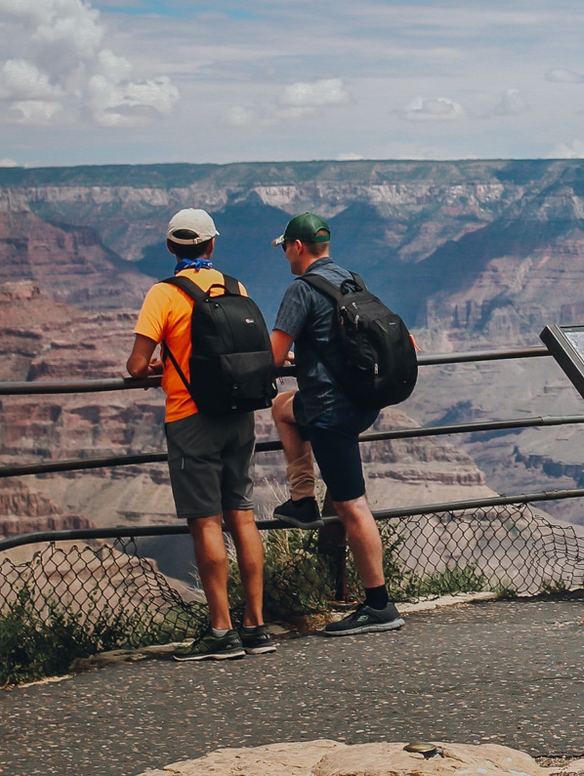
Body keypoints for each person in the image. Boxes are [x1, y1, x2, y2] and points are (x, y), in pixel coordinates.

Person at [126, 208, 272, 661]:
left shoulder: (163, 295)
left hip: (191, 417)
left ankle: (220, 630)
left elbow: (135, 365)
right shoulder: (236, 287)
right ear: (212, 246)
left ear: (171, 247)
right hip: (239, 413)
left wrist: (160, 367)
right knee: (242, 516)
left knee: (206, 521)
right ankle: (256, 626)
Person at [270, 212, 404, 636]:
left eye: (286, 249)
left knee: (352, 506)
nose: (287, 256)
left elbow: (273, 356)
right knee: (282, 407)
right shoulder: (351, 279)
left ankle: (379, 605)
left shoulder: (301, 289)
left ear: (296, 247)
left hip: (331, 412)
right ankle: (303, 499)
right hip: (361, 401)